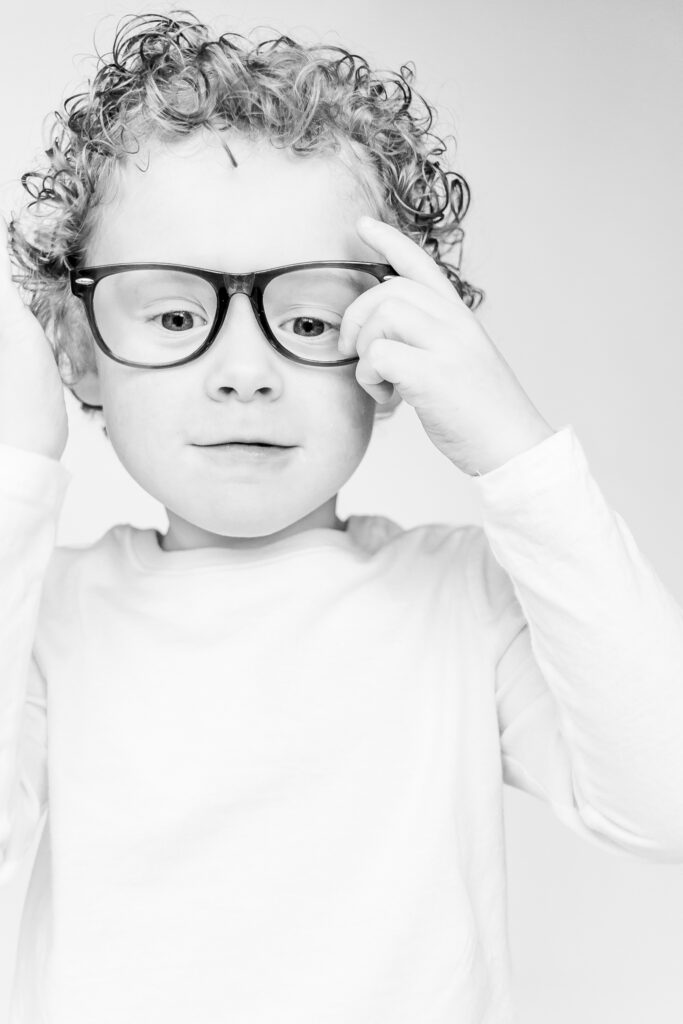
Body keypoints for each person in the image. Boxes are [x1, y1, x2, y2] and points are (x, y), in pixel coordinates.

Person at [1, 11, 682, 1023]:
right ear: (78, 347)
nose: (243, 373)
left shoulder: (462, 599)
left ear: (397, 353)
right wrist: (14, 475)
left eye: (310, 318)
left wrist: (516, 450)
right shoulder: (48, 616)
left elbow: (660, 802)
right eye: (177, 315)